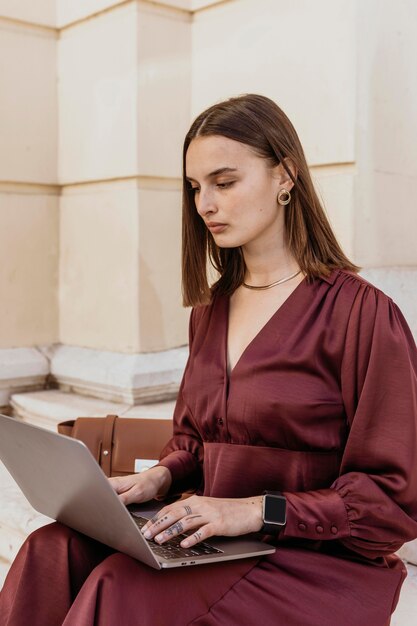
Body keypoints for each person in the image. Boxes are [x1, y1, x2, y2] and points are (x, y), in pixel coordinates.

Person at [1, 93, 417, 626]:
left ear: (285, 176)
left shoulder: (361, 315)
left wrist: (250, 510)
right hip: (214, 540)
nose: (205, 205)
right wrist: (158, 478)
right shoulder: (211, 309)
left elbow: (389, 501)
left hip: (312, 562)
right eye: (195, 187)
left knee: (119, 586)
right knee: (50, 550)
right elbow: (195, 442)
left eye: (224, 182)